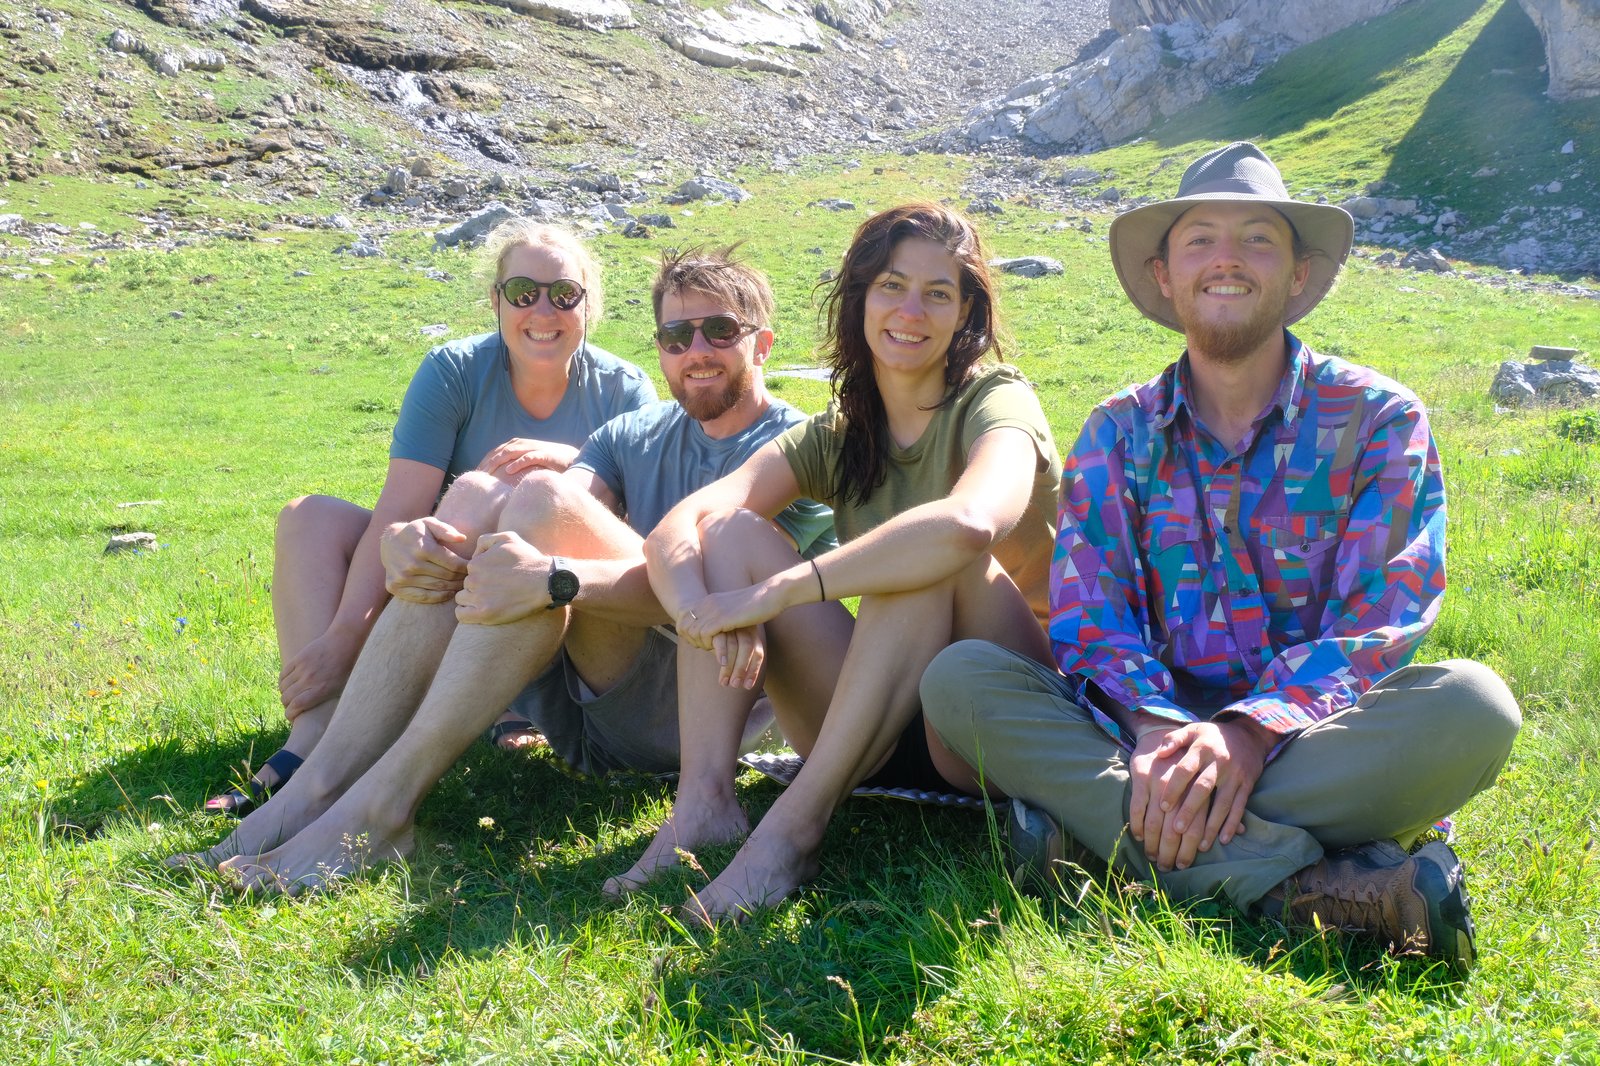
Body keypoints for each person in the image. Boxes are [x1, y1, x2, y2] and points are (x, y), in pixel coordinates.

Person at [920, 142, 1521, 969]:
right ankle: (1310, 887)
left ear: (1299, 276)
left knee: (1475, 708)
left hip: (1313, 744)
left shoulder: (1379, 419)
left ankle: (1108, 846)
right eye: (1200, 238)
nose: (1227, 259)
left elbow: (1383, 617)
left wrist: (1246, 734)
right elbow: (1093, 615)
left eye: (1258, 240)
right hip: (1143, 742)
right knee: (960, 680)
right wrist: (1159, 729)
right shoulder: (1118, 429)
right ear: (1166, 275)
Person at [176, 247, 834, 892]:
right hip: (587, 713)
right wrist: (415, 543)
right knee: (483, 494)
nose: (696, 352)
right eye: (675, 334)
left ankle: (377, 806)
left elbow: (720, 605)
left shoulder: (790, 450)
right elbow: (523, 516)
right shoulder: (633, 434)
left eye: (719, 331)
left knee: (542, 501)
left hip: (692, 711)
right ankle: (319, 788)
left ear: (763, 344)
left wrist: (553, 577)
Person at [608, 202, 1062, 922]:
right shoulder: (842, 431)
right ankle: (704, 804)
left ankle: (790, 833)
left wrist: (781, 593)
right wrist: (702, 611)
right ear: (859, 297)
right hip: (870, 721)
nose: (909, 310)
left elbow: (971, 522)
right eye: (891, 284)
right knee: (727, 533)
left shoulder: (997, 400)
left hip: (986, 719)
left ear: (965, 311)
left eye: (937, 292)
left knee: (932, 555)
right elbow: (683, 525)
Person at [205, 219, 656, 815]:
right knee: (309, 518)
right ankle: (315, 736)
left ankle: (512, 706)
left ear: (587, 305)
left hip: (555, 605)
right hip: (451, 583)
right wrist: (346, 633)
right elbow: (401, 508)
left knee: (536, 508)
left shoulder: (625, 390)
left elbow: (633, 538)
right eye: (523, 292)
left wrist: (579, 464)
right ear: (495, 301)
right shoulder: (453, 370)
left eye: (563, 293)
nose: (542, 309)